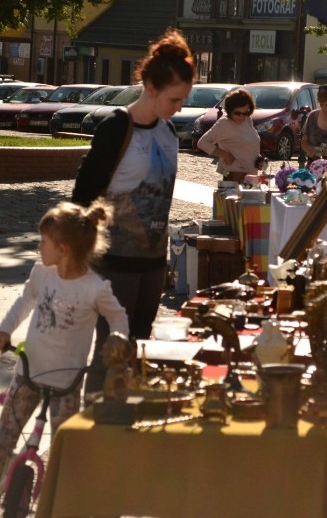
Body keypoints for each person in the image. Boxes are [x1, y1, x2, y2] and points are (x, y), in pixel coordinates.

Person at [0, 201, 128, 518]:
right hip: (29, 372)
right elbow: (23, 304)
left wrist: (118, 342)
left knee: (67, 450)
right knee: (3, 440)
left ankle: (67, 505)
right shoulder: (42, 275)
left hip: (67, 382)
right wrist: (3, 331)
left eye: (43, 243)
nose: (39, 247)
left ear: (62, 249)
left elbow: (118, 318)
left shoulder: (94, 289)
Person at [71, 29, 194, 395]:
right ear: (151, 87)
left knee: (139, 350)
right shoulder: (116, 128)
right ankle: (90, 428)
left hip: (152, 263)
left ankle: (122, 428)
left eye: (183, 100)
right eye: (175, 99)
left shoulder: (168, 132)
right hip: (114, 263)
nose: (179, 108)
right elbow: (83, 194)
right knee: (111, 351)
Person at [196, 88, 261, 182]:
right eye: (237, 113)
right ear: (230, 110)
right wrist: (225, 155)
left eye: (245, 112)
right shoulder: (224, 123)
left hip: (251, 176)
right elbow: (202, 143)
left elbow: (248, 143)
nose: (242, 116)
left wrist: (258, 158)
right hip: (234, 176)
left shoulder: (247, 120)